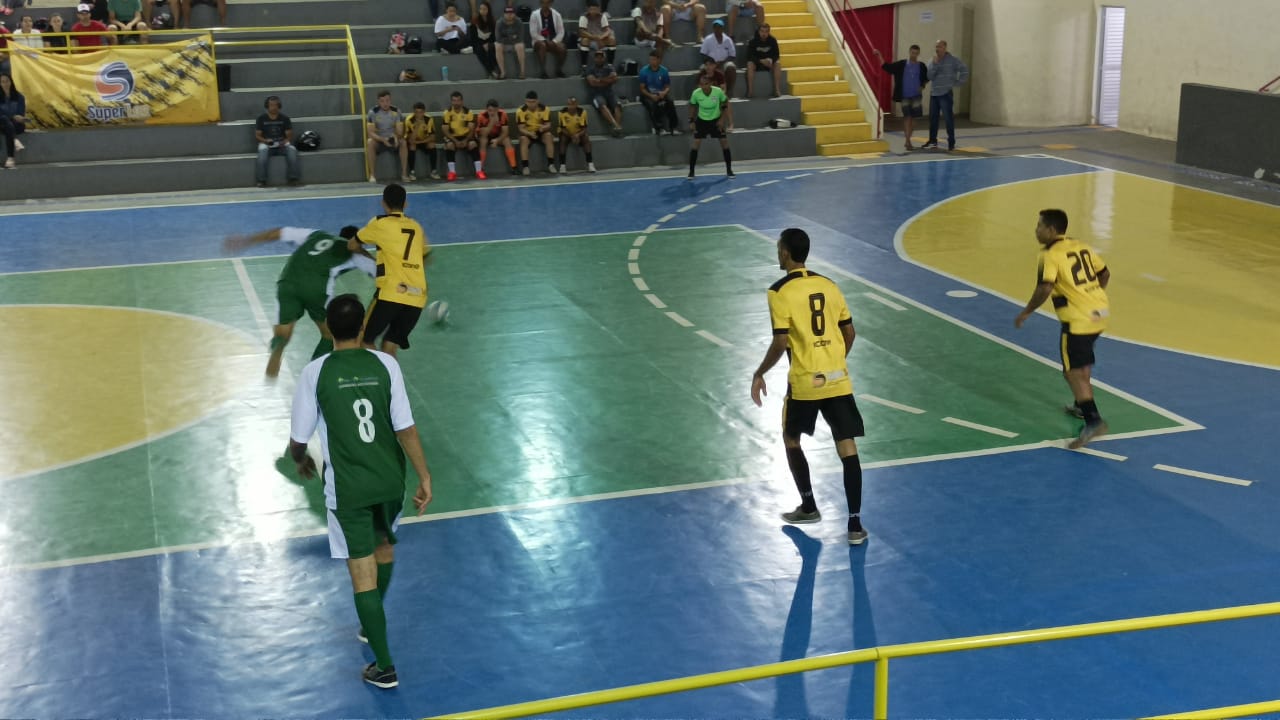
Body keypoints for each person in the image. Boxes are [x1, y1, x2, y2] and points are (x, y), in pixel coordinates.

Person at [288, 293, 434, 690]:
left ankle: (384, 667)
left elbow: (299, 438)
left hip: (348, 489)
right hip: (389, 481)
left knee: (361, 572)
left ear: (330, 329)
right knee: (383, 547)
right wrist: (424, 476)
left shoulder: (315, 373)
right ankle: (371, 626)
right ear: (362, 327)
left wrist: (300, 459)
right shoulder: (386, 364)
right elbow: (405, 428)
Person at [750, 228, 868, 546]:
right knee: (846, 445)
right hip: (837, 378)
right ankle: (855, 525)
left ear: (785, 253)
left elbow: (780, 342)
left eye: (779, 248)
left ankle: (808, 506)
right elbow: (850, 333)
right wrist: (834, 362)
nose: (778, 253)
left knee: (791, 438)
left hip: (805, 381)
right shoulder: (829, 285)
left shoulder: (779, 291)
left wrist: (760, 372)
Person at [222, 225, 375, 377]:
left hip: (288, 282)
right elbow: (380, 271)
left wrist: (247, 240)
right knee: (329, 334)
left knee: (282, 333)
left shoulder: (317, 234)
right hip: (317, 288)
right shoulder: (355, 253)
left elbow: (278, 232)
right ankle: (313, 372)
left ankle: (278, 346)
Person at [1014, 209, 1111, 449]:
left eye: (1039, 226)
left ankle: (1093, 420)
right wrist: (1091, 297)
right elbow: (1105, 273)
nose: (1036, 230)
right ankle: (1080, 405)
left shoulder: (1049, 254)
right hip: (1100, 313)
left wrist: (1027, 311)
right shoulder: (1080, 245)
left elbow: (1045, 288)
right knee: (1082, 361)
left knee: (1072, 372)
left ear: (1051, 230)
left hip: (1077, 319)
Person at [348, 184, 431, 358]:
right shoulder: (416, 226)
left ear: (383, 203)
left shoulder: (380, 223)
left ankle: (377, 373)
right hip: (417, 296)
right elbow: (425, 256)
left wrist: (369, 257)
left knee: (364, 340)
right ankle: (392, 376)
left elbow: (352, 245)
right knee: (390, 346)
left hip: (391, 292)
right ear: (405, 204)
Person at [873, 44, 927, 151]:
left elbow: (926, 78)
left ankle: (908, 138)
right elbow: (887, 67)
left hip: (916, 96)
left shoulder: (921, 66)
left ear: (918, 54)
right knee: (907, 117)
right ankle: (907, 140)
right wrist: (879, 55)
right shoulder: (902, 64)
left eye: (916, 53)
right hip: (905, 96)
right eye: (912, 53)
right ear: (909, 52)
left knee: (914, 119)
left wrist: (922, 86)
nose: (914, 55)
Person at [686, 73, 732, 179]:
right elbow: (692, 106)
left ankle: (729, 170)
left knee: (724, 142)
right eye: (701, 84)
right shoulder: (696, 93)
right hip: (702, 121)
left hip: (716, 120)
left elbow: (725, 103)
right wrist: (691, 121)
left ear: (711, 83)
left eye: (706, 84)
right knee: (696, 143)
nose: (704, 86)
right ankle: (691, 172)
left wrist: (722, 119)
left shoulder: (718, 91)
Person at [924, 39, 967, 151]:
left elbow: (964, 70)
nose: (937, 49)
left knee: (948, 119)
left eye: (939, 46)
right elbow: (929, 77)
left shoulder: (953, 60)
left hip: (946, 94)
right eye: (936, 46)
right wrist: (935, 64)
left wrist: (958, 83)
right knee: (933, 119)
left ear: (945, 48)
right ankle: (932, 141)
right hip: (934, 94)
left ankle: (951, 142)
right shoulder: (932, 61)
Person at [254, 95, 301, 187]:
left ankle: (293, 178)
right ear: (267, 106)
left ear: (279, 106)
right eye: (271, 105)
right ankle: (261, 180)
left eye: (276, 105)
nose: (274, 107)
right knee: (262, 153)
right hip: (266, 143)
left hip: (281, 144)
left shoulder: (285, 118)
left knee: (292, 150)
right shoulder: (261, 118)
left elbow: (289, 136)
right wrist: (266, 140)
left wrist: (284, 142)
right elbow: (257, 135)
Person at [365, 90, 409, 184]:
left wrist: (396, 136)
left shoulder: (396, 111)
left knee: (403, 142)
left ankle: (404, 174)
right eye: (382, 101)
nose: (385, 103)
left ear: (390, 100)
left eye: (387, 100)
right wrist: (382, 140)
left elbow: (400, 130)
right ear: (378, 101)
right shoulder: (372, 112)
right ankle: (372, 175)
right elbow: (370, 133)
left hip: (393, 139)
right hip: (379, 140)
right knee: (370, 142)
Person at [441, 89, 481, 181]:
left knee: (472, 144)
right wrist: (455, 141)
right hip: (452, 136)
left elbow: (471, 129)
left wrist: (466, 140)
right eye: (454, 101)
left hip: (466, 136)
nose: (456, 103)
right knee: (449, 145)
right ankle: (452, 173)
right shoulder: (447, 113)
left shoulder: (468, 112)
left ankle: (479, 171)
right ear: (451, 101)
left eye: (458, 100)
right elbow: (445, 130)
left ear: (462, 101)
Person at [584, 49, 625, 137]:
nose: (599, 59)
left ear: (604, 58)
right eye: (597, 57)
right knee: (602, 105)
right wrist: (607, 80)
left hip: (609, 92)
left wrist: (599, 80)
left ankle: (617, 129)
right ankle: (616, 126)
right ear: (594, 58)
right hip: (596, 94)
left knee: (618, 105)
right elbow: (592, 83)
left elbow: (615, 79)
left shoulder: (609, 67)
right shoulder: (590, 69)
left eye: (601, 57)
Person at [638, 49, 679, 134]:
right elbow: (642, 88)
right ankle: (658, 128)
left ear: (659, 60)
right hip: (647, 94)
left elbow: (667, 87)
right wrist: (651, 96)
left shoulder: (664, 71)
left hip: (660, 93)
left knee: (670, 103)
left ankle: (673, 128)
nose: (651, 61)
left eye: (653, 59)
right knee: (652, 105)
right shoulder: (643, 71)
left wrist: (664, 93)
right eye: (650, 59)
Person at [515, 89, 556, 175]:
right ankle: (525, 166)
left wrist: (543, 128)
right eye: (528, 102)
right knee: (523, 140)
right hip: (527, 132)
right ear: (525, 101)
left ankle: (551, 164)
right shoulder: (521, 111)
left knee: (549, 136)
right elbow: (521, 128)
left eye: (533, 102)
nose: (531, 104)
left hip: (540, 131)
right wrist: (529, 133)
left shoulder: (544, 109)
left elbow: (548, 125)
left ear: (537, 101)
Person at [476, 98, 520, 176]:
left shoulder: (502, 114)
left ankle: (514, 167)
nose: (492, 113)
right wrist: (492, 122)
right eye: (490, 110)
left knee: (507, 141)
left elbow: (505, 132)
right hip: (486, 136)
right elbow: (483, 134)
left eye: (494, 110)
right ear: (486, 109)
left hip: (498, 135)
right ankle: (480, 169)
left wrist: (497, 140)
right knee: (483, 141)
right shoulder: (481, 116)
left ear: (497, 109)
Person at [556, 96, 596, 173]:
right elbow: (563, 129)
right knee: (563, 139)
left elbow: (584, 128)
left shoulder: (582, 112)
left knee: (586, 137)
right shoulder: (562, 112)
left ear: (576, 104)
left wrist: (577, 135)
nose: (571, 106)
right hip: (566, 133)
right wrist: (572, 136)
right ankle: (562, 165)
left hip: (578, 133)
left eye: (573, 104)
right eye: (569, 104)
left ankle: (590, 164)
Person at [699, 18, 737, 98]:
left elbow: (732, 55)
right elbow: (702, 54)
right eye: (715, 27)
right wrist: (711, 63)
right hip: (710, 63)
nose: (717, 29)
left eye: (719, 27)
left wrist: (722, 62)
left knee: (731, 67)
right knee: (702, 68)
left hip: (724, 63)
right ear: (713, 28)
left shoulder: (728, 40)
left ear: (723, 28)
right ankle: (704, 93)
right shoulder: (708, 39)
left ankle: (728, 91)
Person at [528, 0, 566, 79]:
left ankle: (558, 70)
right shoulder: (534, 15)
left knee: (562, 47)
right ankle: (543, 71)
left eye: (547, 3)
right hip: (539, 41)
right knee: (542, 45)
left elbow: (561, 32)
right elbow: (533, 33)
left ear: (551, 3)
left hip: (553, 41)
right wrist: (545, 41)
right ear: (540, 3)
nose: (545, 5)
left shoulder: (557, 15)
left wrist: (554, 41)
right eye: (543, 3)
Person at [744, 22, 781, 98]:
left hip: (768, 63)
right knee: (750, 64)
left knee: (777, 63)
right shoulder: (753, 41)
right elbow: (749, 56)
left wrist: (771, 60)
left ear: (768, 32)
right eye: (762, 31)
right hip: (757, 63)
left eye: (766, 31)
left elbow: (777, 55)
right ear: (759, 31)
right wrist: (760, 61)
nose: (764, 33)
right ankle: (750, 91)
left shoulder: (773, 40)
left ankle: (777, 90)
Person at [404, 102, 440, 181]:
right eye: (416, 112)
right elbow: (411, 140)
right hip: (414, 141)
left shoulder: (429, 119)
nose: (418, 115)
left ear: (424, 112)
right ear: (413, 112)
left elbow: (432, 137)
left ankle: (433, 171)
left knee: (432, 145)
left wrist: (420, 142)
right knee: (412, 146)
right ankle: (412, 172)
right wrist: (417, 126)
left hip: (424, 140)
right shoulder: (409, 120)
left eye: (420, 112)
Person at [576, 0, 615, 68]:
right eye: (592, 9)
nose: (593, 11)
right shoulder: (583, 17)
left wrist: (600, 38)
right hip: (590, 38)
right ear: (588, 9)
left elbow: (608, 30)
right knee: (585, 40)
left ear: (599, 9)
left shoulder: (602, 16)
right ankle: (584, 66)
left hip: (600, 38)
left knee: (612, 40)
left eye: (595, 9)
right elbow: (582, 32)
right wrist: (595, 37)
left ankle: (610, 65)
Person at [494, 5, 527, 79]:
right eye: (507, 13)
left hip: (515, 45)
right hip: (504, 45)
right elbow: (498, 38)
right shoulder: (499, 23)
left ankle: (522, 72)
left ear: (514, 14)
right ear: (504, 14)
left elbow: (520, 38)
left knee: (520, 45)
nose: (509, 15)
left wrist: (506, 37)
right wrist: (512, 37)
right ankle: (503, 72)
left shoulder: (519, 22)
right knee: (497, 45)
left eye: (511, 13)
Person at [0, 73, 24, 170]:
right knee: (4, 120)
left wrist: (19, 117)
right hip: (2, 125)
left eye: (7, 81)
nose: (5, 84)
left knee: (7, 123)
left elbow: (21, 113)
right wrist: (12, 117)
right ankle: (11, 155)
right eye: (2, 82)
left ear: (11, 82)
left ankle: (11, 157)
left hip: (17, 125)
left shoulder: (19, 97)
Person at [469, 1, 499, 79]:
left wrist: (488, 43)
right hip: (477, 42)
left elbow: (494, 36)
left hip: (489, 42)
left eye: (484, 9)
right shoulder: (475, 21)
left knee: (492, 48)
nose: (482, 11)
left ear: (488, 10)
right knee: (480, 50)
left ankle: (494, 69)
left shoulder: (492, 21)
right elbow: (473, 37)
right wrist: (483, 44)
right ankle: (491, 71)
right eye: (481, 9)